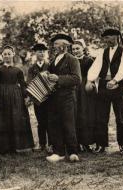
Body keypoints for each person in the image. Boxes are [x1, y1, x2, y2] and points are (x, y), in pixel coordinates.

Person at [85, 28, 123, 153]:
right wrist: (90, 80)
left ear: (116, 37)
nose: (107, 40)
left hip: (118, 86)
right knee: (101, 117)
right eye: (105, 38)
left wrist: (115, 81)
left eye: (109, 37)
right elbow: (95, 67)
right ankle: (101, 145)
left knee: (120, 117)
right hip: (104, 86)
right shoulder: (103, 52)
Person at [0, 45, 34, 154]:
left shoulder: (18, 70)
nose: (7, 56)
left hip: (15, 96)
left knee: (16, 118)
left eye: (9, 54)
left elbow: (23, 84)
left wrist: (25, 96)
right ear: (2, 56)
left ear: (13, 54)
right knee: (3, 119)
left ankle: (17, 146)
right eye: (5, 54)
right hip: (2, 96)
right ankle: (3, 147)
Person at [46, 33, 81, 163]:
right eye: (54, 44)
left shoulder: (72, 59)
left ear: (64, 46)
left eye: (56, 44)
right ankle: (58, 153)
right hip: (54, 98)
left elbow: (77, 79)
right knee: (54, 124)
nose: (54, 46)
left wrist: (58, 79)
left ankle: (73, 152)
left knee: (68, 124)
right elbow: (49, 75)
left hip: (67, 97)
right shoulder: (54, 60)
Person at [72, 39, 96, 152]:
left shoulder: (89, 60)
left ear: (83, 49)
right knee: (75, 114)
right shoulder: (71, 60)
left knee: (86, 114)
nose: (75, 51)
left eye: (78, 48)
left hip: (86, 89)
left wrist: (90, 84)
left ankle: (87, 142)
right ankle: (77, 142)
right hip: (74, 88)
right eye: (73, 49)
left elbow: (94, 74)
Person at [27, 43, 51, 151]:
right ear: (35, 53)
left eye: (43, 51)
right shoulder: (32, 68)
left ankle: (51, 144)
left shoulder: (50, 65)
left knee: (50, 121)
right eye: (39, 51)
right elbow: (29, 83)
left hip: (50, 98)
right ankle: (42, 144)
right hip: (38, 99)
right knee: (40, 121)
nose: (41, 53)